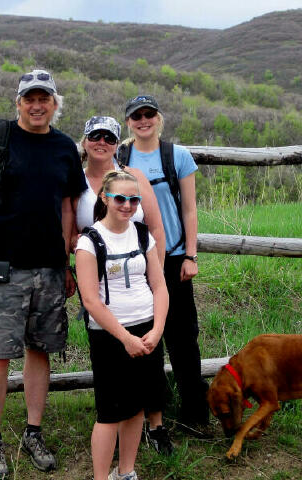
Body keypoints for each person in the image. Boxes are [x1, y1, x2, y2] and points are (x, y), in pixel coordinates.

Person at [0, 69, 87, 478]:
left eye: (44, 98)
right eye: (30, 98)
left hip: (48, 268)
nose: (37, 105)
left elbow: (66, 207)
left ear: (55, 103)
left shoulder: (64, 147)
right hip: (4, 267)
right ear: (18, 102)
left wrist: (65, 263)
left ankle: (33, 432)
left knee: (40, 351)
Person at [121, 95, 210, 451]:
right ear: (128, 122)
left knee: (183, 337)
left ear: (158, 118)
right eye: (136, 116)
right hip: (136, 260)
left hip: (173, 259)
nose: (143, 120)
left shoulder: (177, 156)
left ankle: (194, 414)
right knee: (143, 337)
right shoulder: (120, 158)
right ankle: (145, 414)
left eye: (149, 114)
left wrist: (191, 254)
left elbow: (189, 210)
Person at [76, 170, 169, 480]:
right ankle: (101, 477)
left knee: (137, 407)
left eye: (133, 199)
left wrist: (156, 330)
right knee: (111, 412)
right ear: (105, 198)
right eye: (120, 198)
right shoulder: (89, 241)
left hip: (147, 331)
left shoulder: (143, 235)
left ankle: (126, 471)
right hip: (110, 336)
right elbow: (90, 301)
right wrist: (125, 338)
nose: (127, 205)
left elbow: (159, 286)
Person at [74, 116, 165, 264]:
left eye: (110, 138)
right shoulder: (75, 181)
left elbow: (156, 230)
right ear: (84, 142)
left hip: (137, 271)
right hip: (95, 271)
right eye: (95, 136)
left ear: (116, 145)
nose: (102, 142)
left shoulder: (134, 177)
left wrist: (157, 274)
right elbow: (69, 234)